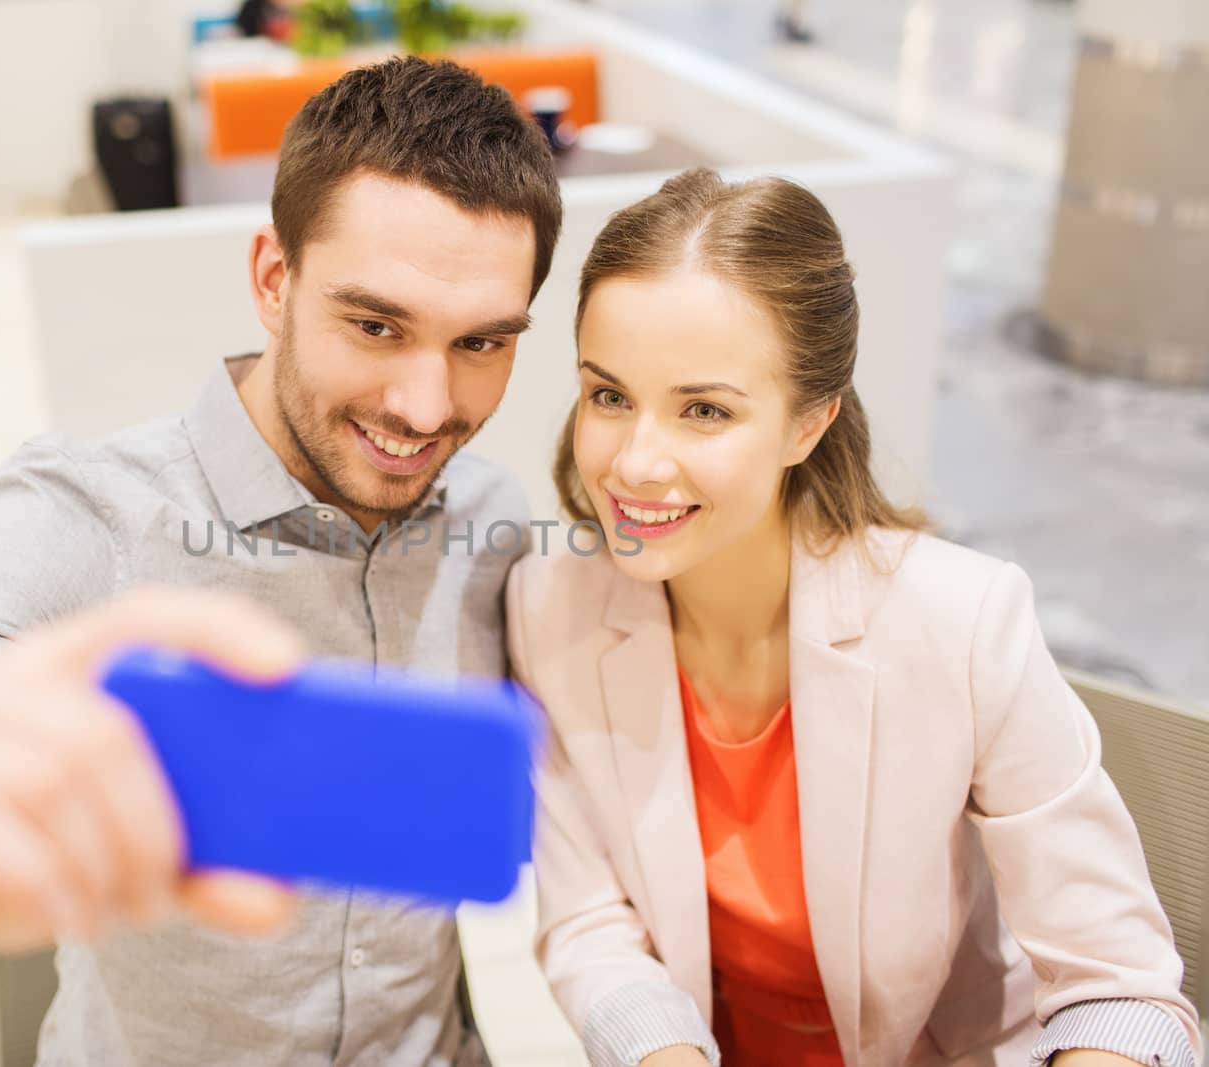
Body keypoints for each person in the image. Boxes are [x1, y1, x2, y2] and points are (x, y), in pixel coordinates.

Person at [0, 56, 561, 1066]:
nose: (425, 406)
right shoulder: (85, 515)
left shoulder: (493, 520)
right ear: (273, 281)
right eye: (375, 325)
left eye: (480, 344)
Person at [505, 168, 1201, 1067]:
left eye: (704, 410)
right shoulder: (549, 604)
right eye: (609, 395)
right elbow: (589, 923)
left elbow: (1124, 990)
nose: (635, 462)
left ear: (808, 424)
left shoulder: (965, 622)